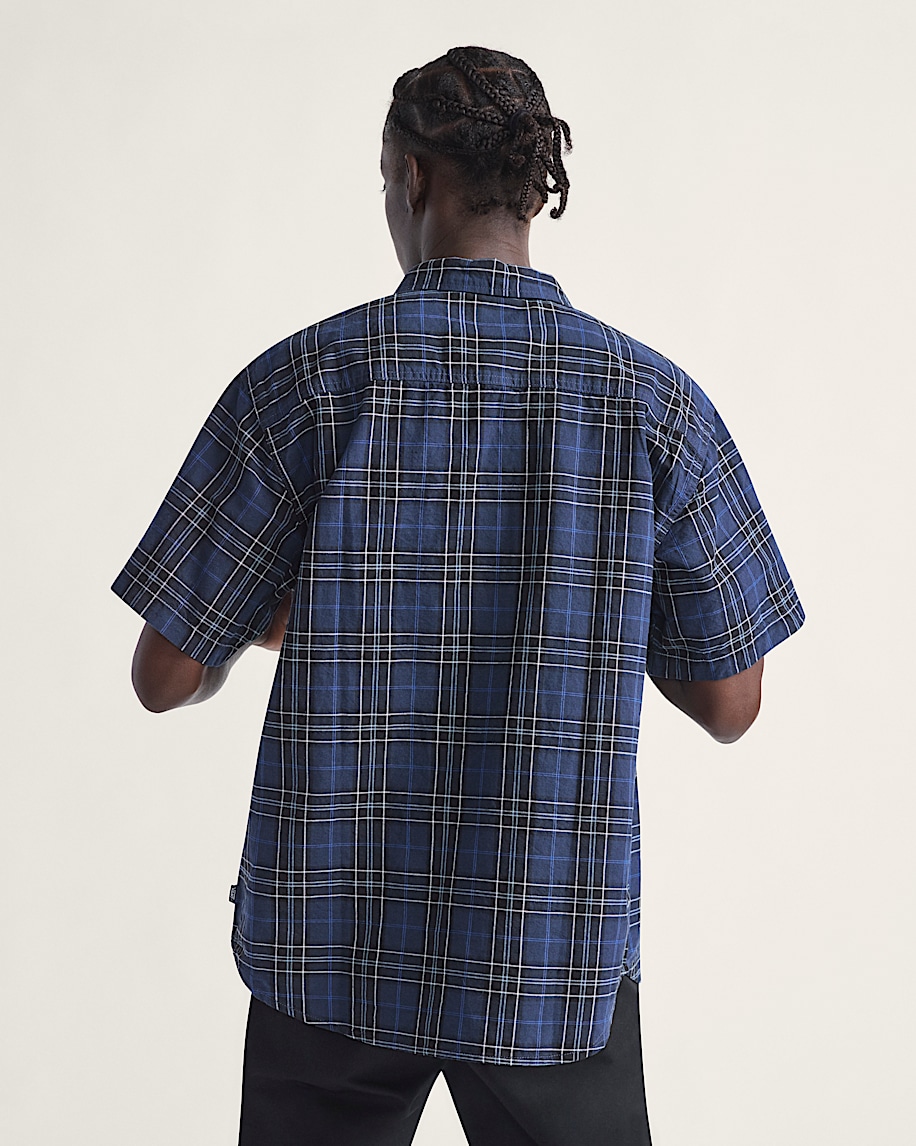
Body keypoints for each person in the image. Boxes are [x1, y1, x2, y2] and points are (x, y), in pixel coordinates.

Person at [112, 45, 804, 1146]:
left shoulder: (302, 382)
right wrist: (588, 603)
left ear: (412, 175)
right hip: (547, 948)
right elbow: (732, 703)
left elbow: (164, 675)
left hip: (328, 942)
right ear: (532, 190)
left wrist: (303, 618)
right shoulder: (656, 406)